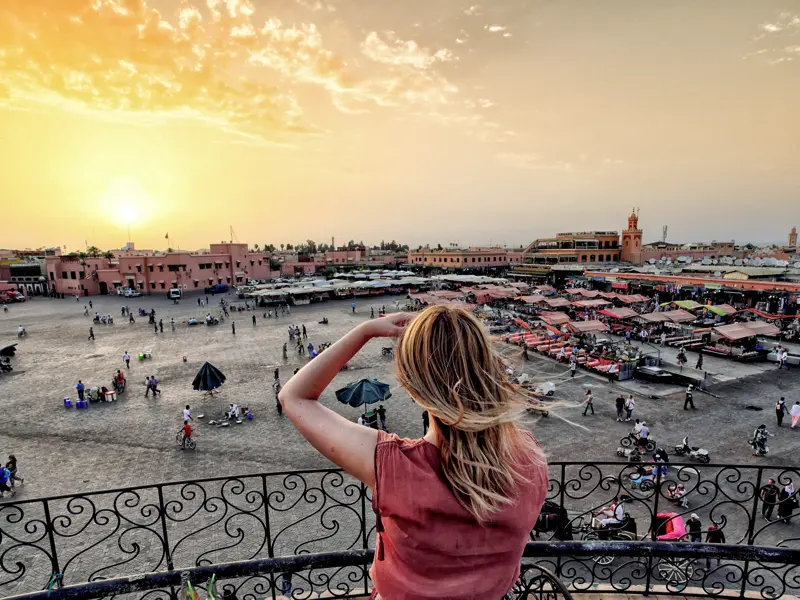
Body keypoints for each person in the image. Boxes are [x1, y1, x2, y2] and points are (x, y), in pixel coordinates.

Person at [278, 307, 549, 600]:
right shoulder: (530, 457)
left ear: (411, 388)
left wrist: (365, 330)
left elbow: (294, 397)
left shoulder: (394, 467)